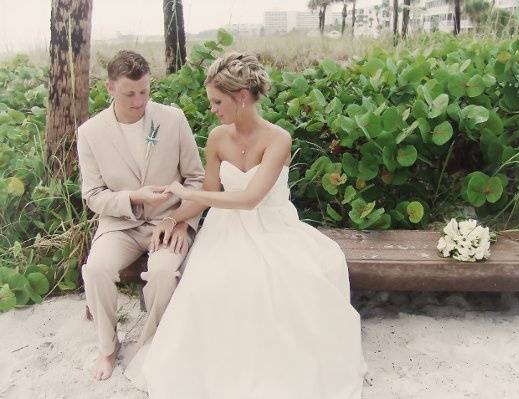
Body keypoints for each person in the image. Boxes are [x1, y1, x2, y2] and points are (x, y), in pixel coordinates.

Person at [125, 51, 367, 398]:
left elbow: (251, 198)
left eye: (217, 101)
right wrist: (173, 215)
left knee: (279, 287)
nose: (212, 108)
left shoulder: (278, 139)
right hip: (226, 229)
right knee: (208, 288)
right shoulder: (217, 138)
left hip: (272, 228)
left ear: (241, 97)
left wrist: (184, 192)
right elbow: (208, 193)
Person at [76, 50, 204, 381]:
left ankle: (153, 344)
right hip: (120, 224)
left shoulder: (172, 119)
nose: (138, 101)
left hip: (169, 221)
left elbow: (196, 179)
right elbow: (92, 195)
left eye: (144, 91)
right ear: (110, 88)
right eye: (129, 93)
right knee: (96, 269)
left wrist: (182, 221)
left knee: (163, 274)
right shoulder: (90, 133)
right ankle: (108, 347)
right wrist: (132, 196)